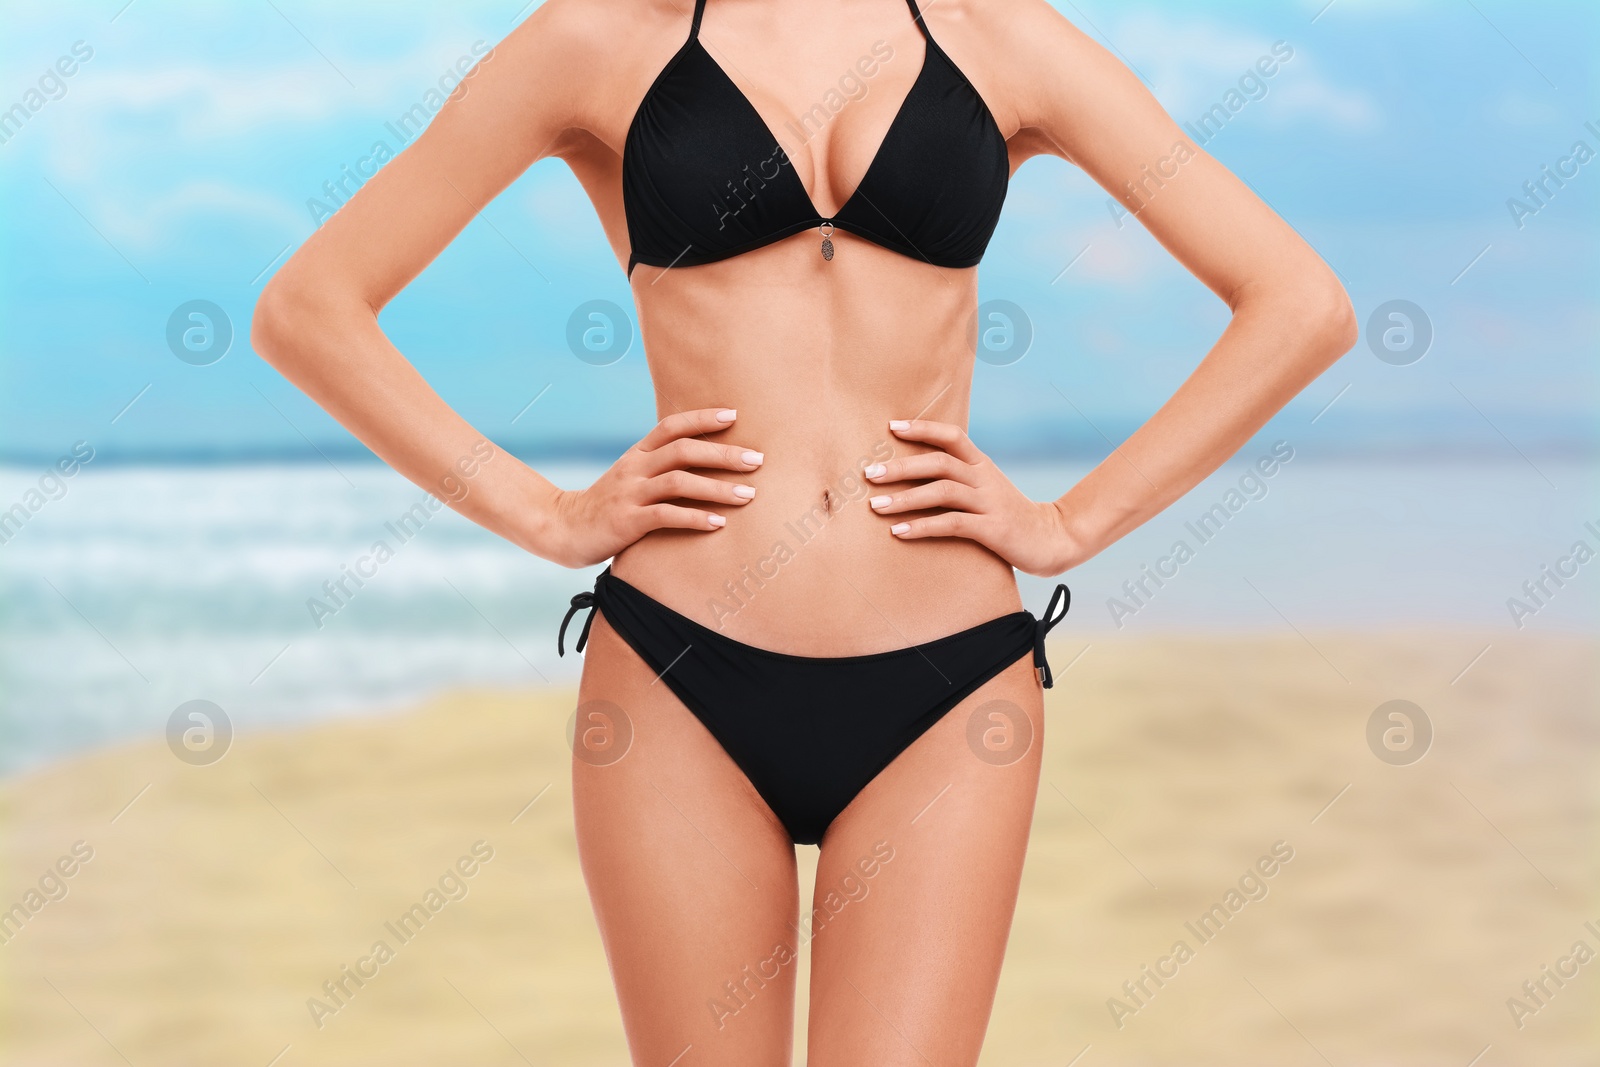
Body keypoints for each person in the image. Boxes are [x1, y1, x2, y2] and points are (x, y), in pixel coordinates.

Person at [251, 0, 1356, 1061]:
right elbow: (309, 307)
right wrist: (547, 513)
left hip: (949, 681)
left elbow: (1299, 303)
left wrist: (1071, 522)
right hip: (678, 670)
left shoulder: (1000, 32)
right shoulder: (595, 35)